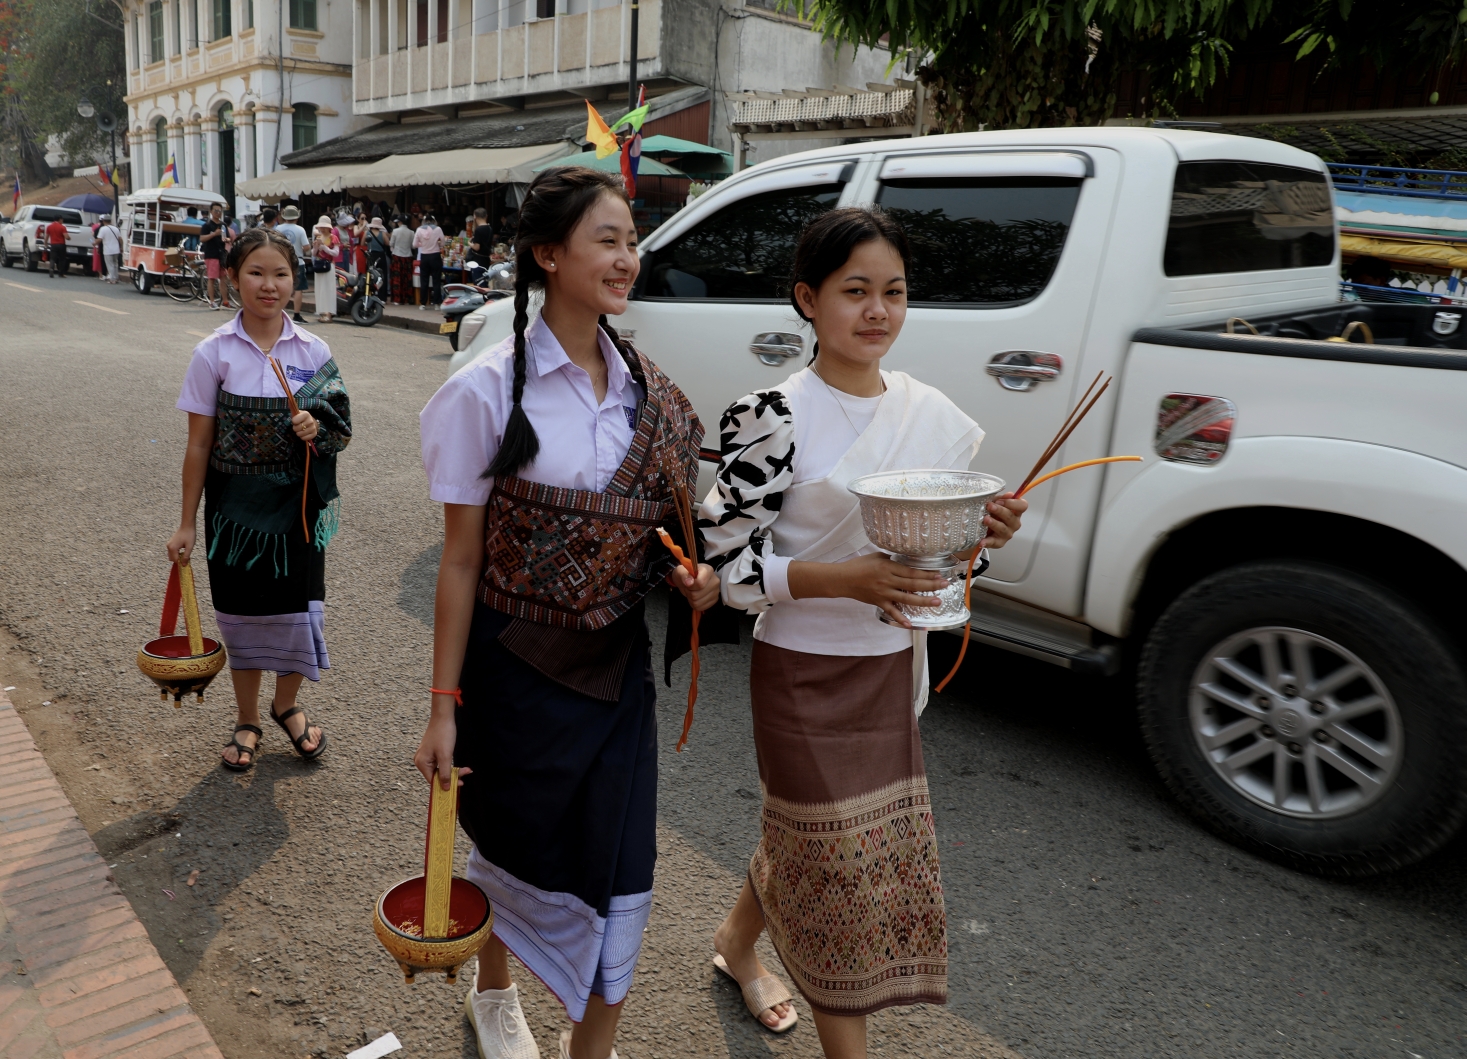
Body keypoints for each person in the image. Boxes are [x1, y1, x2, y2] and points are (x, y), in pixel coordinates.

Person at [699, 207, 1027, 1058]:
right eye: (854, 292)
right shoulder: (772, 414)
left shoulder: (932, 414)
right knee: (842, 866)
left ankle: (738, 945)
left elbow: (944, 574)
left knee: (816, 841)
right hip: (801, 670)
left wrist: (980, 539)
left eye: (893, 291)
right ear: (808, 300)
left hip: (887, 669)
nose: (876, 310)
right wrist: (838, 578)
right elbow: (721, 569)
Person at [414, 166, 719, 1059]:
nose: (628, 258)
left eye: (632, 240)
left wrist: (692, 579)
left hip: (614, 675)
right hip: (509, 671)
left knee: (621, 867)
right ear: (549, 255)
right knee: (515, 846)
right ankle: (494, 989)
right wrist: (441, 705)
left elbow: (666, 541)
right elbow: (461, 560)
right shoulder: (486, 391)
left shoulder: (650, 393)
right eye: (608, 241)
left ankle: (591, 1047)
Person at [168, 226, 351, 772]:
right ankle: (247, 717)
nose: (268, 285)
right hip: (234, 516)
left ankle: (285, 705)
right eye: (256, 273)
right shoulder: (213, 353)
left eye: (280, 274)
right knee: (242, 617)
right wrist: (185, 525)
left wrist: (314, 425)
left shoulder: (313, 348)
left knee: (297, 614)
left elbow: (341, 428)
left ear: (295, 281)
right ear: (232, 279)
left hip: (298, 512)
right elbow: (199, 443)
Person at [275, 205, 310, 323]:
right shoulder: (300, 230)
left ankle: (279, 313)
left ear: (284, 217)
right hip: (298, 261)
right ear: (297, 217)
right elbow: (306, 247)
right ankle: (296, 315)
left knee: (279, 287)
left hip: (280, 261)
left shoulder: (278, 228)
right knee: (298, 289)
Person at [199, 203, 232, 309]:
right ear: (211, 211)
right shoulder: (207, 225)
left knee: (224, 278)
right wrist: (214, 234)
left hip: (221, 254)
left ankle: (225, 301)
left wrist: (227, 239)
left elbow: (227, 238)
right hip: (211, 253)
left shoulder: (223, 225)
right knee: (212, 278)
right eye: (216, 210)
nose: (218, 213)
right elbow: (202, 239)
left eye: (219, 211)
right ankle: (212, 302)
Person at [311, 216, 341, 323]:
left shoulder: (333, 238)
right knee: (320, 289)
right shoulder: (319, 237)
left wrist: (325, 248)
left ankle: (329, 312)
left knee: (328, 289)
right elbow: (314, 254)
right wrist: (316, 247)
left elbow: (336, 253)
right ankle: (322, 311)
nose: (322, 229)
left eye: (324, 227)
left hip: (328, 264)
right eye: (321, 227)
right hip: (319, 264)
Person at [413, 212, 444, 309]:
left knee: (424, 280)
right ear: (434, 221)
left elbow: (414, 245)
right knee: (436, 280)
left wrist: (422, 244)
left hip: (424, 256)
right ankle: (436, 303)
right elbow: (443, 242)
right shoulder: (438, 229)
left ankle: (423, 303)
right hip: (435, 256)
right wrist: (437, 244)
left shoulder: (419, 230)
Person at [389, 217, 414, 305]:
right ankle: (407, 298)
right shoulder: (411, 232)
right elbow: (412, 246)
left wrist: (393, 250)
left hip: (397, 255)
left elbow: (391, 244)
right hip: (408, 256)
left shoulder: (395, 231)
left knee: (397, 278)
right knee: (407, 278)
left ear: (400, 222)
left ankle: (397, 299)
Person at [365, 217, 390, 292]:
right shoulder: (383, 234)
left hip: (371, 255)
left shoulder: (367, 233)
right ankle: (382, 296)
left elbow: (363, 243)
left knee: (371, 274)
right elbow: (387, 243)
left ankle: (370, 292)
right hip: (381, 256)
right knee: (382, 275)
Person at [95, 214, 122, 284]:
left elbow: (99, 239)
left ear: (103, 221)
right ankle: (116, 278)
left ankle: (112, 279)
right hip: (116, 250)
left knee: (110, 265)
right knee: (115, 264)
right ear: (110, 221)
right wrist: (121, 247)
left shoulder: (103, 229)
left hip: (108, 250)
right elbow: (120, 239)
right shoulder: (116, 228)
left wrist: (94, 243)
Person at [45, 214, 69, 278]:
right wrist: (69, 238)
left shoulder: (49, 227)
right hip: (61, 244)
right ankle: (61, 273)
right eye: (62, 219)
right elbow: (66, 237)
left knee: (52, 258)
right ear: (60, 219)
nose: (62, 220)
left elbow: (47, 236)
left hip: (53, 244)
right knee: (62, 259)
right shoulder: (62, 227)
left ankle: (51, 268)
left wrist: (45, 243)